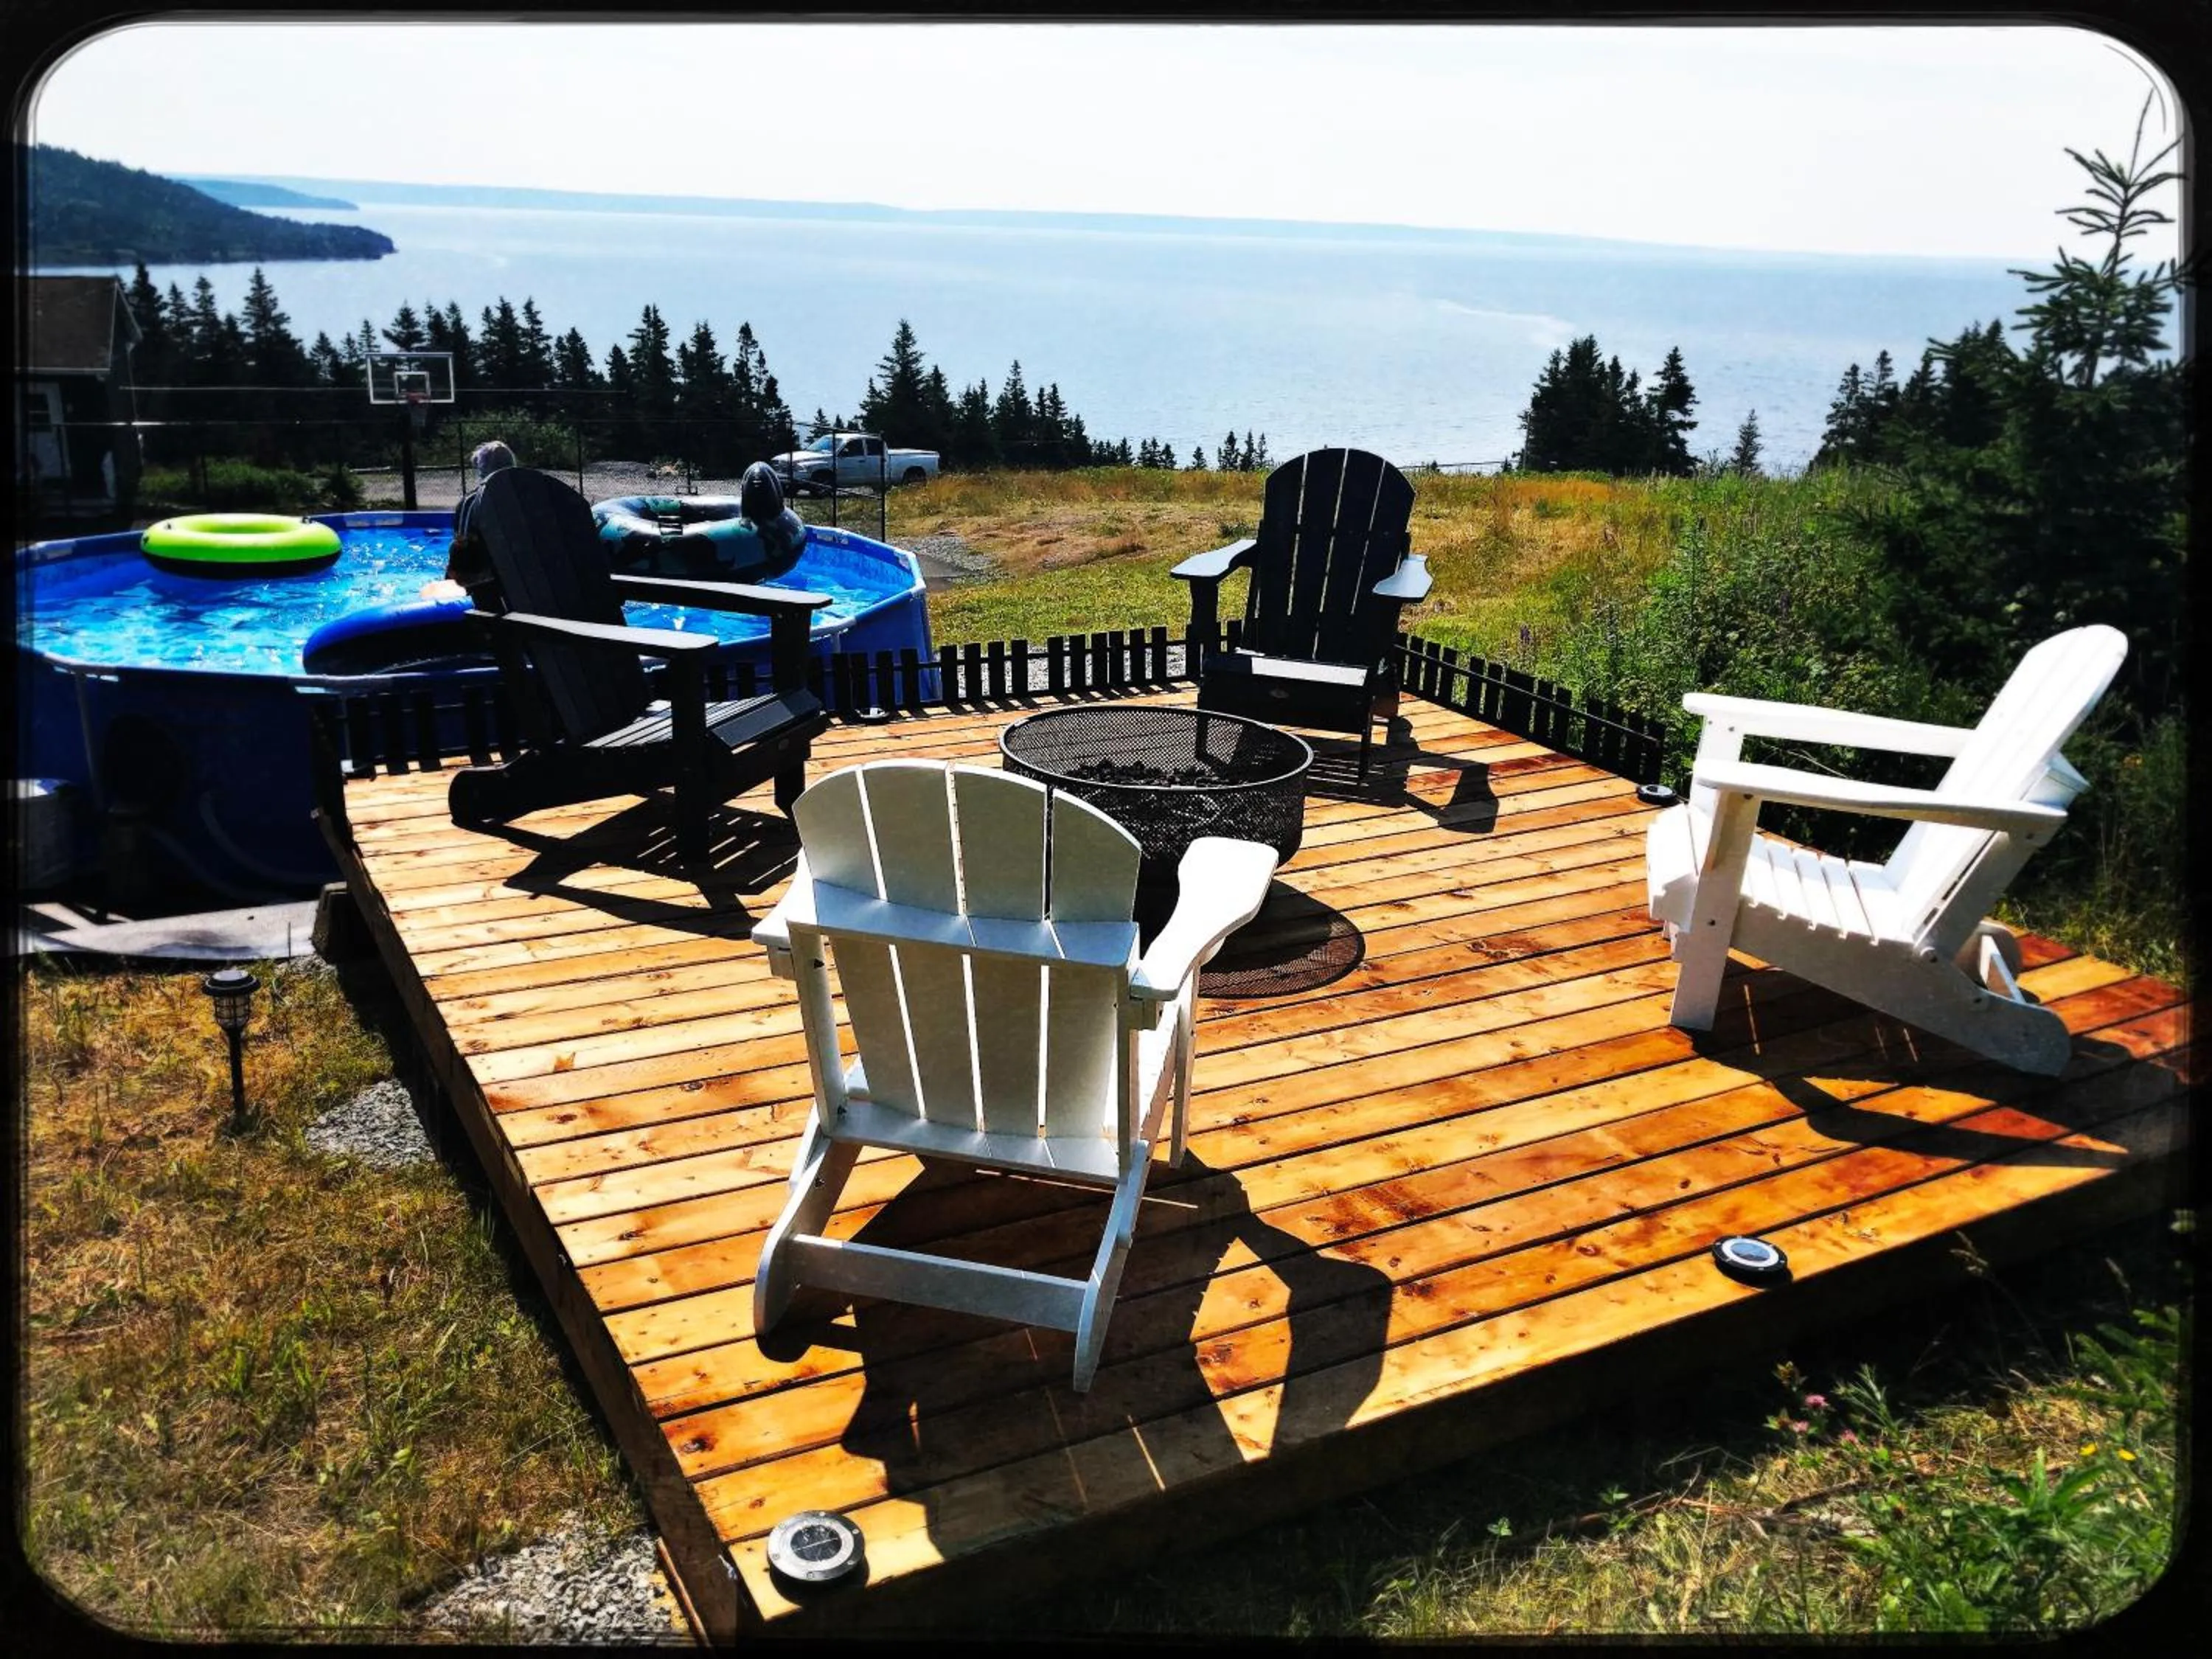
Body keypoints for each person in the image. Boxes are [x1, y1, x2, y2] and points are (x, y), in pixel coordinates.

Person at [421, 439, 516, 605]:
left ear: (482, 471)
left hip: (486, 592)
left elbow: (461, 559)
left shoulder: (472, 502)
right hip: (524, 585)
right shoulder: (528, 498)